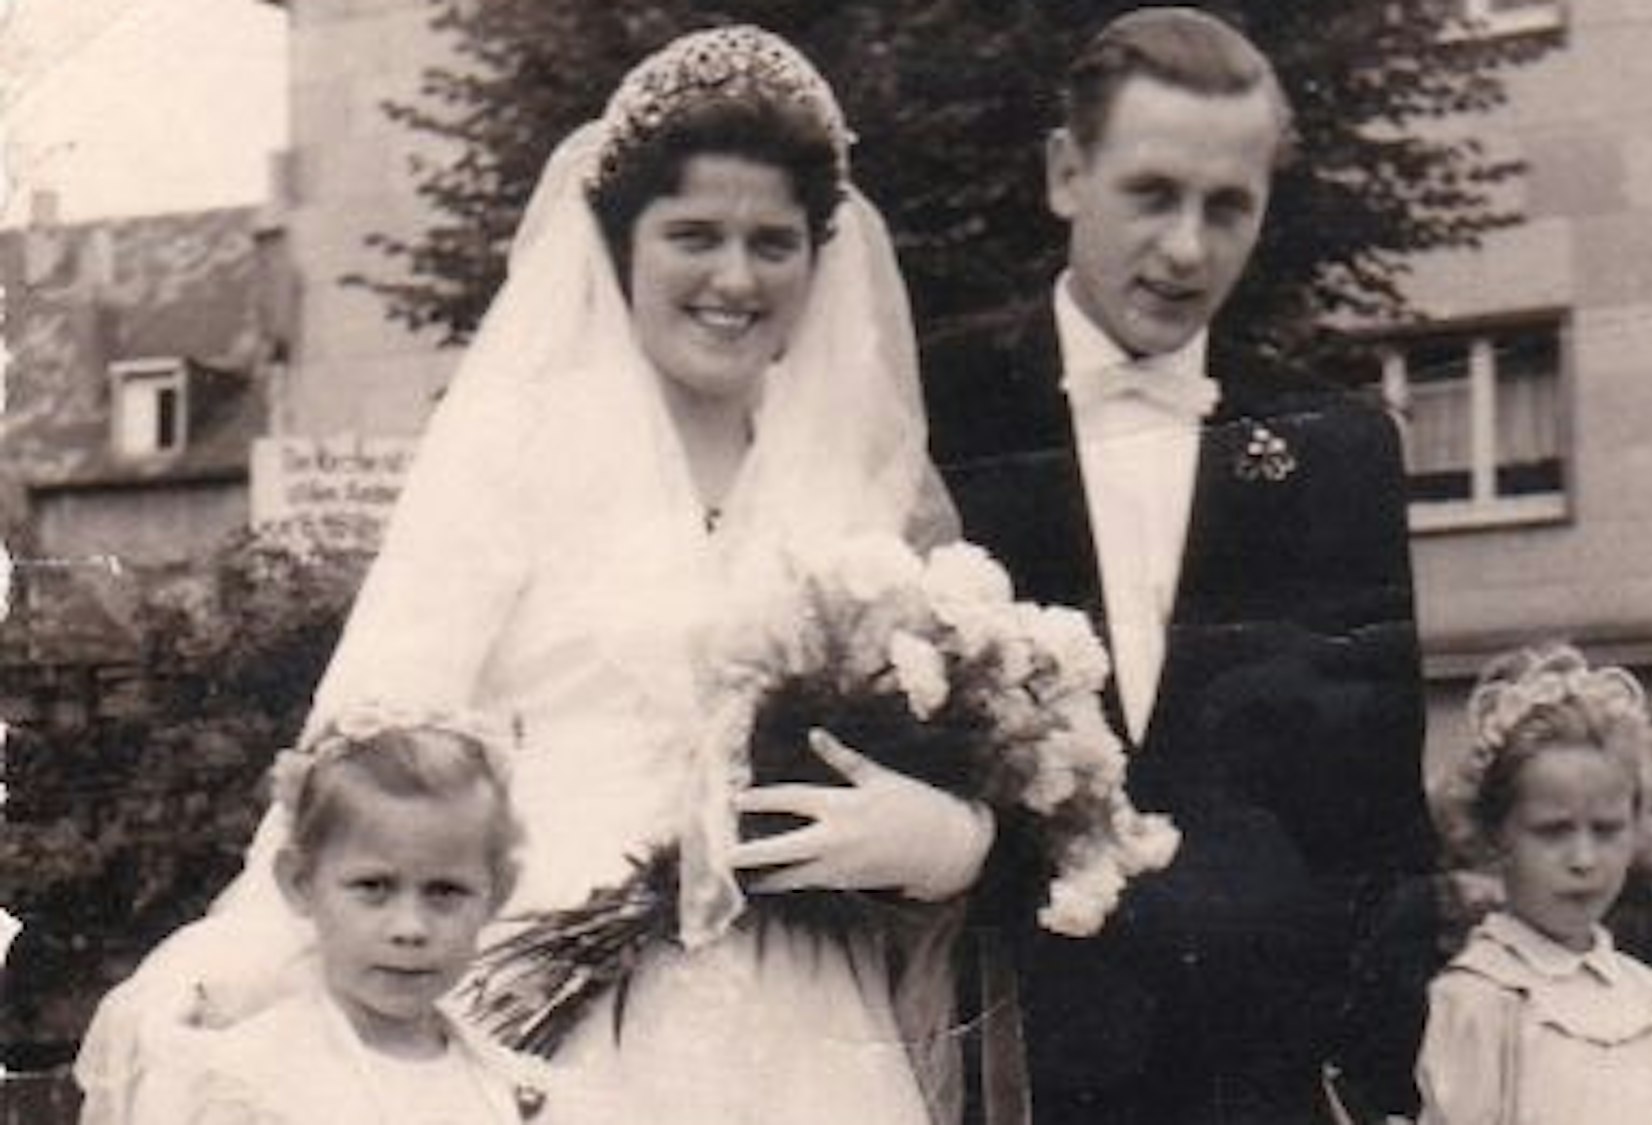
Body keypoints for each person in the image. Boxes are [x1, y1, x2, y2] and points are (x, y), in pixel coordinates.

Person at [79, 25, 992, 1125]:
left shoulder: (847, 478)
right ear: (620, 246)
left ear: (816, 254)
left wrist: (943, 837)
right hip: (552, 982)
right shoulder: (520, 446)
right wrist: (247, 950)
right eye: (693, 235)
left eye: (773, 242)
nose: (734, 278)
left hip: (801, 1007)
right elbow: (375, 723)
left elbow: (946, 728)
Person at [922, 9, 1438, 1124]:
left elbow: (1379, 829)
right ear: (1067, 173)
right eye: (1152, 194)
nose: (1187, 249)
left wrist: (1374, 1087)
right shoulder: (934, 412)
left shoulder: (1335, 448)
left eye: (1227, 207)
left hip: (1249, 1087)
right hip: (996, 1073)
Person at [182, 709, 544, 1125]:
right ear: (300, 882)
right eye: (374, 887)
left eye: (445, 892)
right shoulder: (251, 1077)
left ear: (496, 895)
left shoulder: (511, 1088)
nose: (410, 928)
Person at [1418, 644, 1652, 1125]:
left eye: (1607, 829)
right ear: (1496, 835)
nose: (1583, 859)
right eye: (1553, 830)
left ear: (1637, 827)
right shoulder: (1484, 1002)